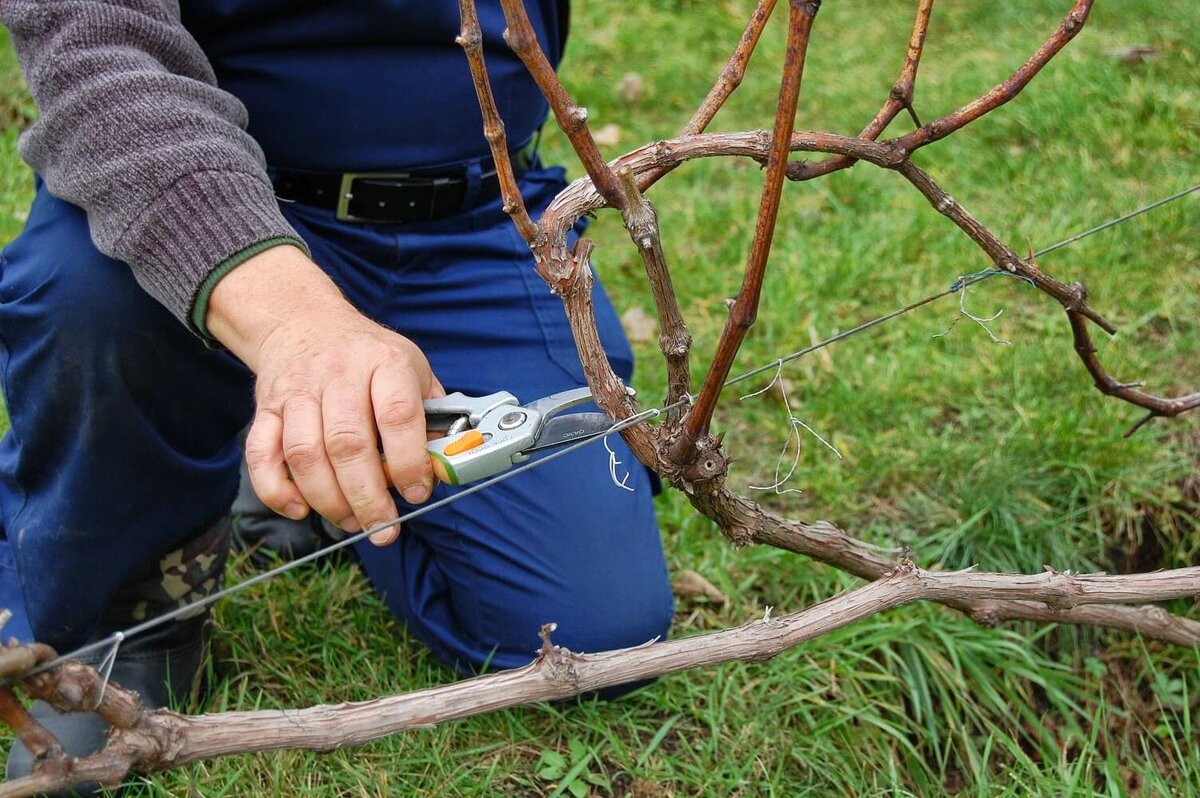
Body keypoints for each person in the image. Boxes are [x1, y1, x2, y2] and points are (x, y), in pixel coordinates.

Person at [0, 1, 674, 791]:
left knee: (599, 638)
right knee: (88, 301)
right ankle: (124, 614)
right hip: (186, 196)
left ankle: (308, 463)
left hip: (475, 219)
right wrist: (294, 322)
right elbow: (98, 57)